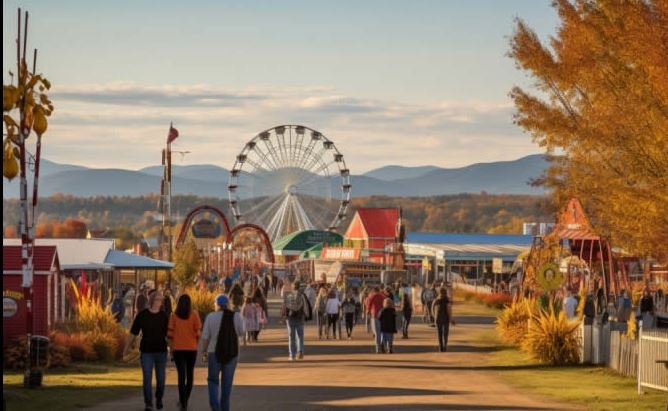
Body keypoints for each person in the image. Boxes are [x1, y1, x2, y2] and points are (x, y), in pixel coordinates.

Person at [124, 290, 169, 411]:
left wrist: (173, 348)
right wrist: (126, 349)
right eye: (158, 299)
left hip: (161, 351)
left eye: (161, 299)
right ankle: (148, 403)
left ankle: (159, 398)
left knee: (161, 379)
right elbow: (133, 333)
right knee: (147, 378)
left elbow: (169, 335)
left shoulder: (164, 316)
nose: (160, 301)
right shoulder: (143, 315)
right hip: (146, 352)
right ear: (152, 300)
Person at [200, 294, 244, 411]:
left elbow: (205, 337)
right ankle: (225, 408)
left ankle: (215, 407)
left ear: (216, 304)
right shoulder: (236, 316)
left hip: (213, 353)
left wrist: (204, 351)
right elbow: (241, 333)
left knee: (213, 380)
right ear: (228, 304)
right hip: (232, 353)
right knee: (227, 383)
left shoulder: (210, 317)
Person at [168, 294, 202, 411]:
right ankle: (185, 400)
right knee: (190, 375)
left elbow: (170, 336)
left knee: (181, 376)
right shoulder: (194, 315)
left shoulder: (173, 316)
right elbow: (198, 333)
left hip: (178, 349)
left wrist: (171, 350)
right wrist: (195, 344)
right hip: (191, 349)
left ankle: (182, 402)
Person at [282, 281, 311, 360]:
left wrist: (284, 317)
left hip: (290, 318)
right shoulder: (302, 296)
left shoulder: (288, 295)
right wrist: (307, 316)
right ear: (299, 287)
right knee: (300, 336)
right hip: (300, 318)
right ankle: (300, 352)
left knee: (291, 337)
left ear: (292, 287)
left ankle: (292, 355)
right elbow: (306, 307)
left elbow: (284, 307)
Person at [432, 287, 455, 352]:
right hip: (445, 319)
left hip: (438, 318)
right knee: (445, 334)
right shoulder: (447, 300)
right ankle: (445, 346)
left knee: (439, 334)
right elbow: (449, 310)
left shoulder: (437, 299)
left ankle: (440, 347)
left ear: (440, 292)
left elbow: (432, 306)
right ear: (445, 292)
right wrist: (451, 319)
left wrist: (434, 315)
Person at [364, 286, 386, 353]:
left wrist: (367, 311)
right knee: (382, 332)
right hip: (382, 316)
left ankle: (378, 348)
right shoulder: (383, 296)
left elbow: (368, 304)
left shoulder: (371, 296)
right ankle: (383, 344)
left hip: (374, 315)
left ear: (373, 290)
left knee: (376, 333)